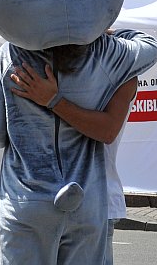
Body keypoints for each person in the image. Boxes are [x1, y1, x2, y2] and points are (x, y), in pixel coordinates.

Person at [0, 29, 157, 265]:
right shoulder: (110, 58)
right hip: (91, 196)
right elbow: (150, 45)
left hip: (28, 195)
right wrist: (100, 29)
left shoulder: (12, 55)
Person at [10, 61, 139, 265]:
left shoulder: (120, 66)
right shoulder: (44, 61)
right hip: (40, 198)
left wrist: (54, 100)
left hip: (95, 203)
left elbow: (107, 130)